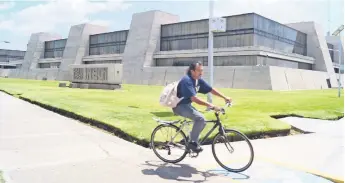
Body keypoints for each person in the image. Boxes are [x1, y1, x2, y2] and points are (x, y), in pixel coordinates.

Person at [173, 61, 232, 153]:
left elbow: (211, 89)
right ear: (192, 71)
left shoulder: (197, 80)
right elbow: (194, 99)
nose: (201, 73)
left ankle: (189, 140)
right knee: (200, 119)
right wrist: (211, 105)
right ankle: (192, 143)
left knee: (202, 122)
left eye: (202, 70)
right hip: (179, 106)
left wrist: (224, 97)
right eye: (199, 71)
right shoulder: (187, 80)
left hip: (187, 105)